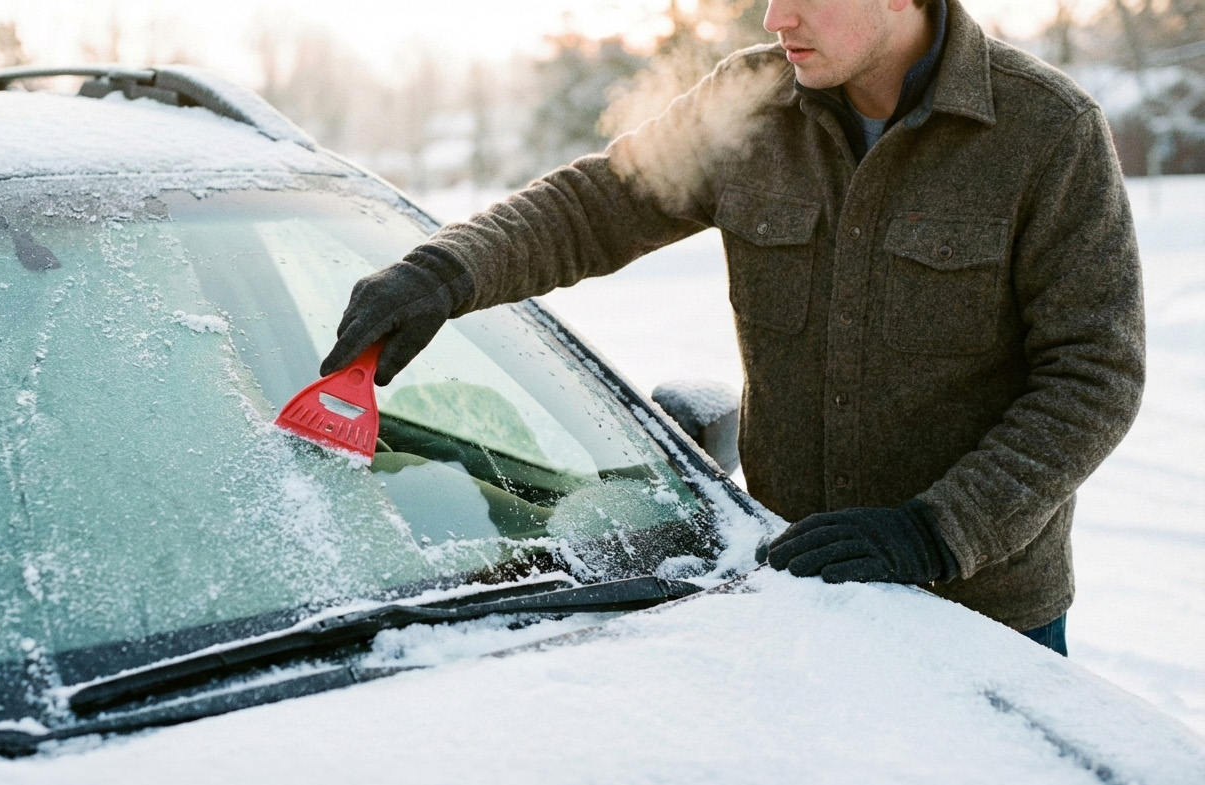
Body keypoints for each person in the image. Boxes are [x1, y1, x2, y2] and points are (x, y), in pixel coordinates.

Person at [319, 0, 1145, 656]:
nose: (774, 18)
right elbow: (602, 202)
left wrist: (936, 531)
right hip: (792, 595)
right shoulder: (748, 103)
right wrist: (444, 271)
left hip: (985, 616)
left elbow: (1094, 376)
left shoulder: (1047, 134)